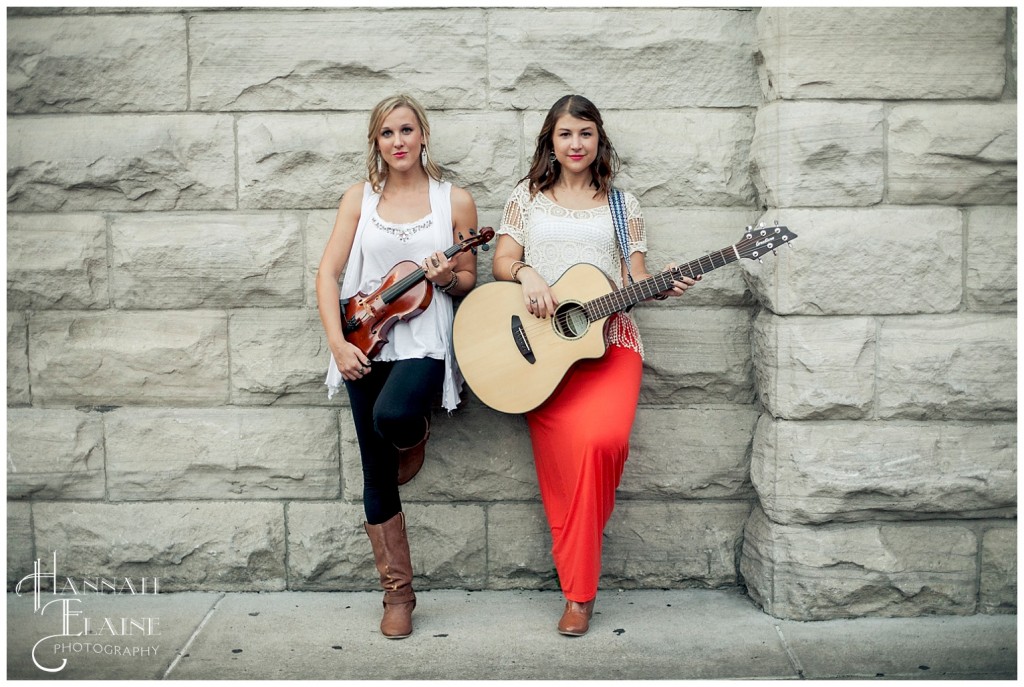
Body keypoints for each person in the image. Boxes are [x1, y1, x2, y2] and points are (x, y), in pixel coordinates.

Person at [491, 94, 699, 636]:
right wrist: (527, 274)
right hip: (544, 354)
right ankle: (578, 595)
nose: (576, 144)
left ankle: (577, 577)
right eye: (565, 134)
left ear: (598, 139)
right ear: (551, 142)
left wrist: (662, 285)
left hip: (611, 345)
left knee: (602, 444)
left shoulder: (622, 206)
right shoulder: (527, 198)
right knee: (564, 474)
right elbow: (501, 260)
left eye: (585, 133)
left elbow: (633, 281)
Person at [316, 93, 479, 639]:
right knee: (374, 470)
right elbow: (328, 275)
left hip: (427, 339)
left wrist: (443, 279)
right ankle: (398, 594)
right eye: (387, 134)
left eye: (407, 130)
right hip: (365, 336)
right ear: (377, 143)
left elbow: (468, 280)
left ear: (424, 135)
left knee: (394, 417)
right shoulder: (358, 199)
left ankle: (415, 433)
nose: (399, 141)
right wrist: (338, 344)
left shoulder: (453, 200)